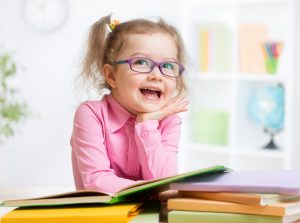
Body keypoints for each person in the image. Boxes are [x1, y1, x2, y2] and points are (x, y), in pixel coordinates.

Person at [71, 15, 189, 194]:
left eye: (167, 66)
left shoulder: (170, 121)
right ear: (112, 76)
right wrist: (154, 192)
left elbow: (166, 182)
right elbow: (97, 183)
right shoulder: (91, 114)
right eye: (141, 62)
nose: (157, 75)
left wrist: (146, 124)